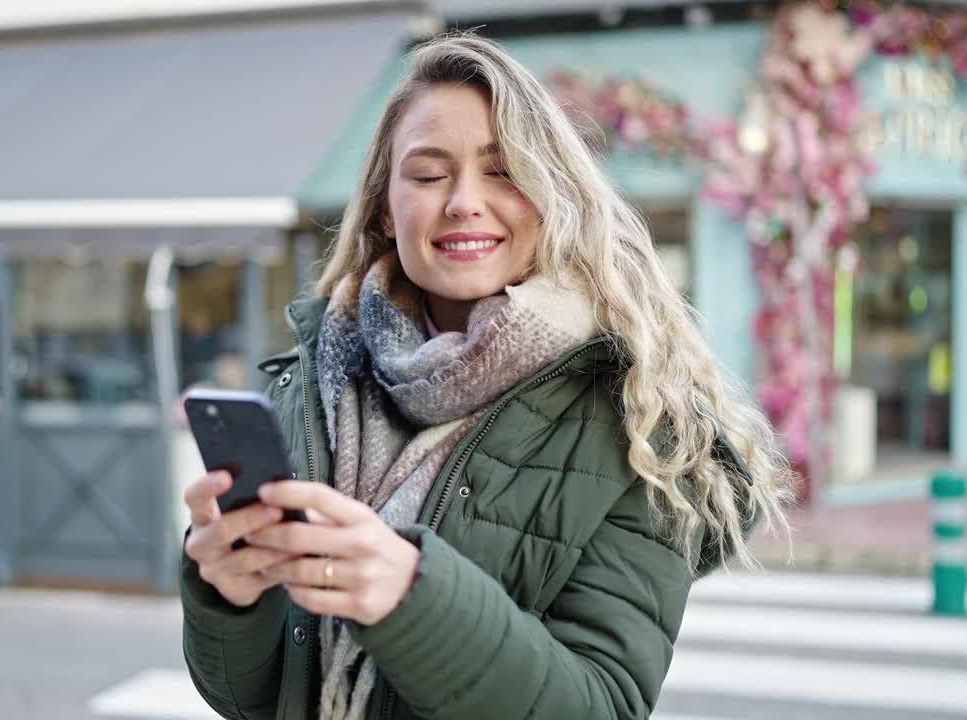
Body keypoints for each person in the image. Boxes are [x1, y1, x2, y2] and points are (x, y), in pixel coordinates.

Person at [180, 34, 792, 720]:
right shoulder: (311, 384)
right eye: (429, 173)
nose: (464, 201)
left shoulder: (640, 420)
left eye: (502, 171)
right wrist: (229, 596)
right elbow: (249, 699)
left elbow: (602, 707)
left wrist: (411, 596)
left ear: (549, 196)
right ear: (387, 207)